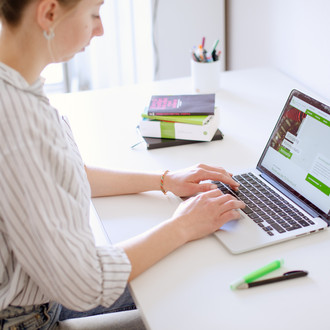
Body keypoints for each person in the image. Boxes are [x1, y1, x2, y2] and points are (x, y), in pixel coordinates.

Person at [0, 0, 245, 328]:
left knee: (197, 265)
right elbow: (85, 282)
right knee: (202, 287)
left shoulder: (18, 85)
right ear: (49, 14)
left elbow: (61, 175)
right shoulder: (19, 124)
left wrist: (164, 179)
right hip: (29, 314)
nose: (100, 29)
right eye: (94, 14)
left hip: (38, 290)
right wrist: (182, 225)